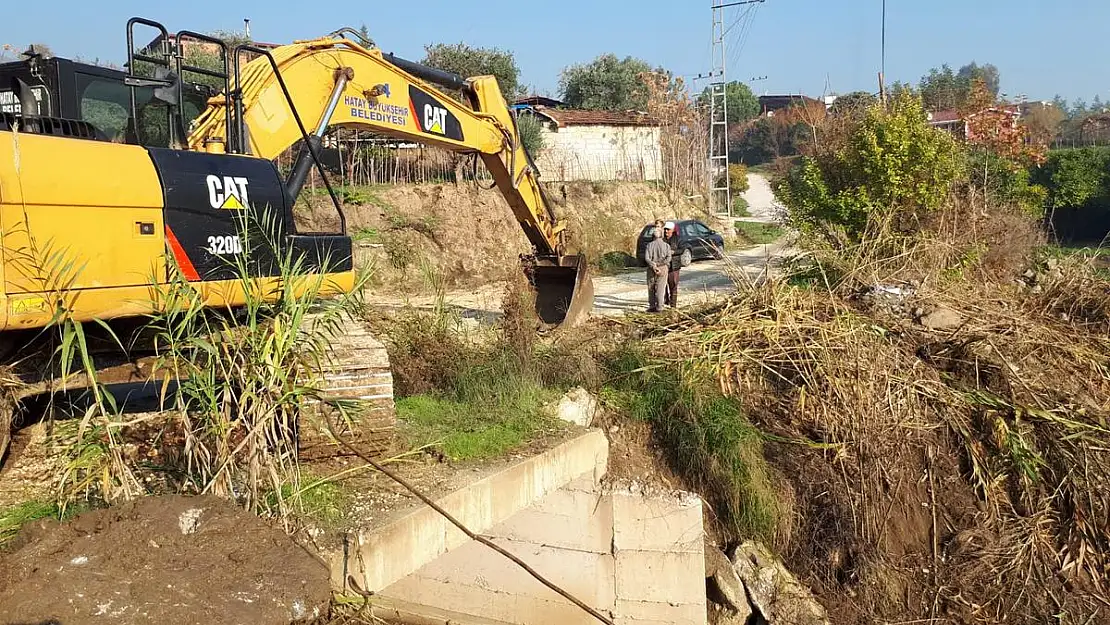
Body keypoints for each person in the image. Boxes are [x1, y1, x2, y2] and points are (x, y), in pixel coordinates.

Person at [644, 225, 671, 313]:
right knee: (661, 288)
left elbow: (647, 258)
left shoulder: (649, 245)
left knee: (651, 287)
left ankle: (652, 306)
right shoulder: (666, 246)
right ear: (662, 235)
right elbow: (668, 258)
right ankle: (659, 307)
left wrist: (653, 265)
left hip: (651, 268)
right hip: (663, 268)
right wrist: (660, 264)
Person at [663, 221, 681, 308]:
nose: (666, 231)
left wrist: (673, 252)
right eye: (665, 229)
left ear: (673, 230)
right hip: (663, 266)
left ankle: (673, 305)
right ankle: (665, 302)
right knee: (662, 285)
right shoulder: (661, 239)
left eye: (668, 229)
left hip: (674, 266)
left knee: (673, 285)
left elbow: (683, 249)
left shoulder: (678, 239)